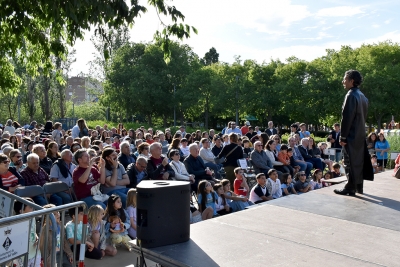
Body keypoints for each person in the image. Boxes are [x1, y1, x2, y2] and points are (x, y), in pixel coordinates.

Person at [334, 70, 374, 196]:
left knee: (349, 162)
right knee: (358, 161)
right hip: (360, 135)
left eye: (345, 79)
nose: (343, 82)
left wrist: (343, 136)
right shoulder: (362, 96)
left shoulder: (351, 95)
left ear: (351, 81)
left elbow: (347, 118)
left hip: (351, 136)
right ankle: (358, 187)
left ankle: (350, 187)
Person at [13, 198, 41, 267]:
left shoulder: (32, 218)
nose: (33, 209)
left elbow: (33, 232)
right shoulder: (15, 223)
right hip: (22, 257)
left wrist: (37, 238)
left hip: (34, 252)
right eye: (30, 207)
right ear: (21, 211)